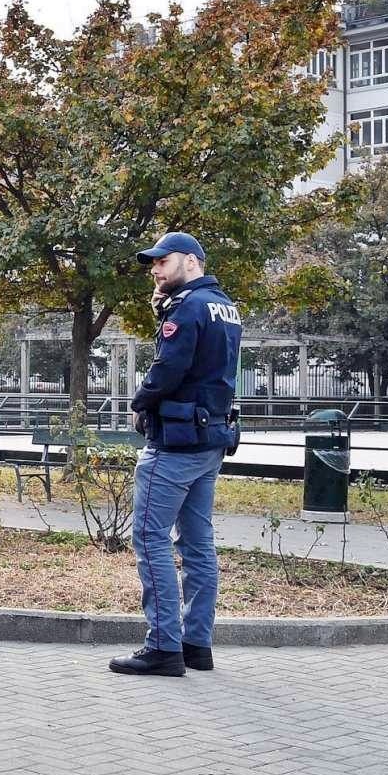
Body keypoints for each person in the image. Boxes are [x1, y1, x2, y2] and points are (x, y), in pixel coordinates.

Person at [111, 231, 242, 677]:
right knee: (199, 545)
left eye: (162, 262)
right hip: (210, 440)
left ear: (189, 261)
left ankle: (163, 646)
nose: (155, 269)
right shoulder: (225, 306)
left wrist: (138, 403)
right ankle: (195, 645)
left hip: (176, 442)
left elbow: (169, 368)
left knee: (150, 538)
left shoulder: (187, 308)